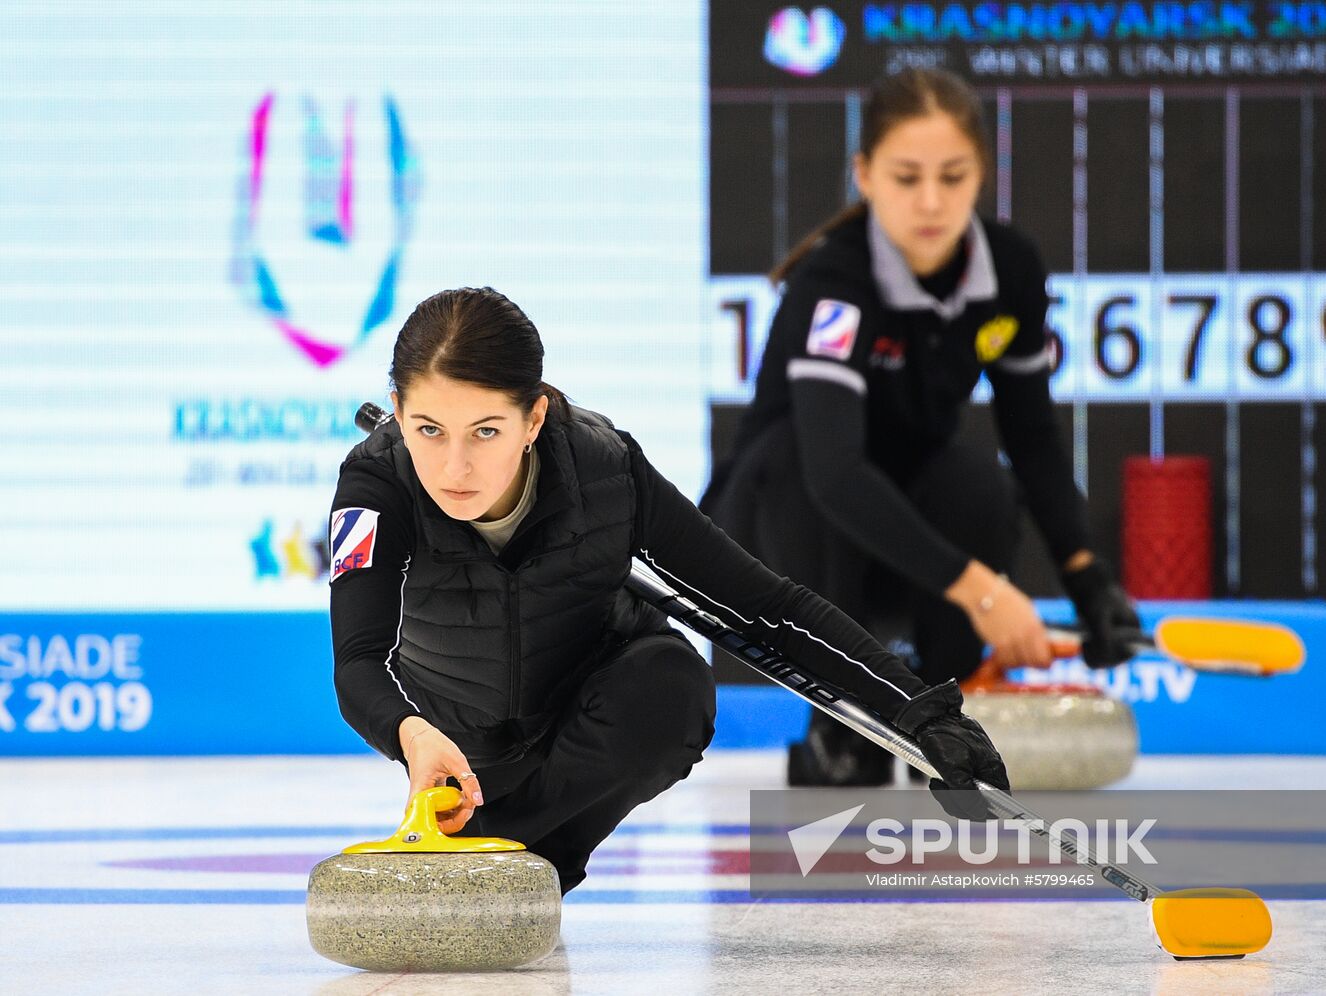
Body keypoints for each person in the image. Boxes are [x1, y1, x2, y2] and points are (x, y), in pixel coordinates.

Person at [329, 286, 1009, 894]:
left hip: (585, 710)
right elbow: (359, 660)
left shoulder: (606, 472)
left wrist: (916, 712)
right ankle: (505, 857)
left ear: (533, 420)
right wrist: (410, 734)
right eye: (428, 430)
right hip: (457, 743)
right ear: (396, 410)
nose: (454, 466)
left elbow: (767, 609)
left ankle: (521, 861)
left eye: (486, 431)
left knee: (671, 684)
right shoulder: (375, 488)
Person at [701, 68, 1140, 787]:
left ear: (981, 176)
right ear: (866, 175)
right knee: (812, 476)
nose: (931, 202)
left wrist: (1089, 580)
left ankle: (935, 713)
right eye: (907, 178)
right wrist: (987, 596)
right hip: (772, 538)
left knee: (983, 490)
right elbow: (836, 474)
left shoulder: (1012, 269)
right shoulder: (834, 283)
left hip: (897, 526)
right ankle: (840, 718)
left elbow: (1032, 436)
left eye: (952, 176)